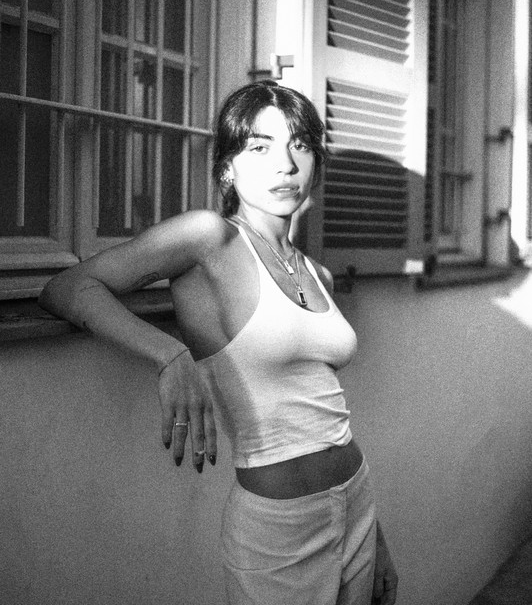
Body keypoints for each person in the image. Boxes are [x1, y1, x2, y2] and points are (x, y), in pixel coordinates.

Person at [39, 80, 398, 605]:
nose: (285, 165)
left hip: (357, 502)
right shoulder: (210, 238)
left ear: (316, 164)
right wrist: (169, 354)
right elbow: (67, 288)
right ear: (228, 166)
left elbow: (327, 415)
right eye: (261, 147)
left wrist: (375, 535)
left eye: (299, 145)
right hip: (279, 531)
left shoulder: (316, 273)